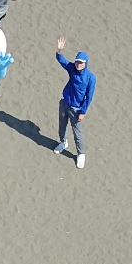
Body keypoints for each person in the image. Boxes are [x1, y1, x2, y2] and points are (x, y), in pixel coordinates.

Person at [52, 38, 94, 168]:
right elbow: (62, 61)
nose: (78, 64)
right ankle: (63, 142)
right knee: (62, 126)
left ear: (85, 64)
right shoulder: (72, 69)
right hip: (64, 103)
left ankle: (81, 154)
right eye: (77, 62)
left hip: (77, 109)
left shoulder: (91, 78)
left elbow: (89, 96)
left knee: (78, 133)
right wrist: (59, 51)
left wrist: (83, 112)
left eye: (81, 63)